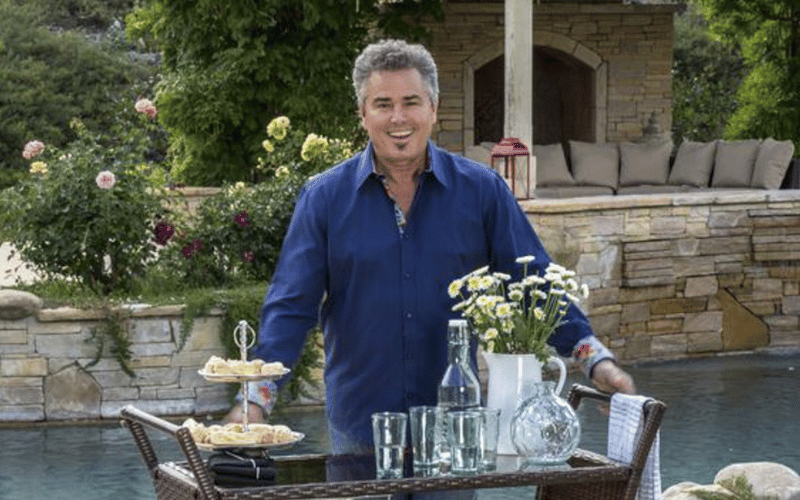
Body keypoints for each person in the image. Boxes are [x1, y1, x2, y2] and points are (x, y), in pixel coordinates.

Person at [224, 39, 635, 454]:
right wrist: (254, 400)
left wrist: (595, 360)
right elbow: (291, 307)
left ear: (433, 109)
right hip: (360, 432)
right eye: (383, 104)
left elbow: (535, 284)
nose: (398, 118)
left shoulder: (482, 192)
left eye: (411, 102)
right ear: (363, 115)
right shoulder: (324, 199)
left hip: (454, 433)